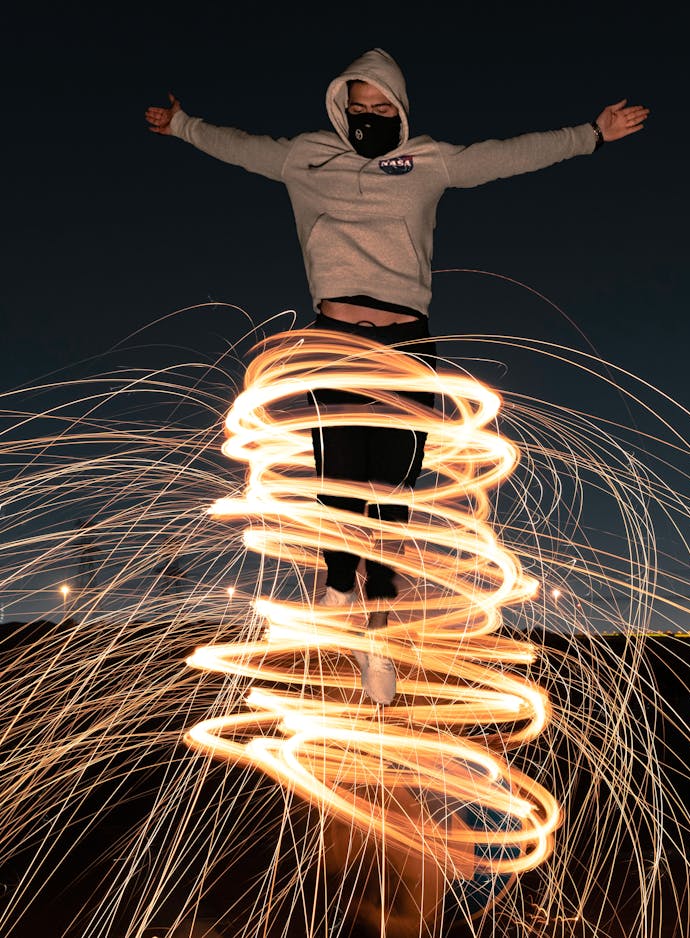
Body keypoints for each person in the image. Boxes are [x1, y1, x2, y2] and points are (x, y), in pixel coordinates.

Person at [146, 48, 648, 705]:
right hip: (335, 337)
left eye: (386, 108)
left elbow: (504, 155)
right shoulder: (306, 158)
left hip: (407, 340)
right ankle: (337, 580)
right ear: (342, 109)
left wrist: (589, 135)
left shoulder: (428, 161)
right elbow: (242, 147)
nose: (374, 117)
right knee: (342, 475)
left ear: (401, 111)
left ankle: (375, 642)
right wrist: (184, 125)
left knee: (390, 495)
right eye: (362, 108)